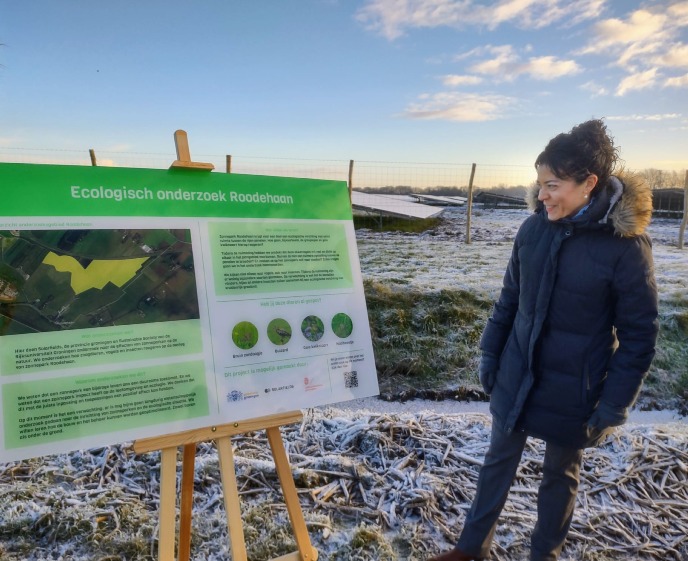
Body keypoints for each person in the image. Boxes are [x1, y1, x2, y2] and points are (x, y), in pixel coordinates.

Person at [429, 119, 659, 561]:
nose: (543, 194)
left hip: (576, 386)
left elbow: (639, 335)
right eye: (540, 183)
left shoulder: (626, 248)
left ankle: (545, 555)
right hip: (519, 371)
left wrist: (613, 403)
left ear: (589, 183)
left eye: (553, 185)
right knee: (497, 460)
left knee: (560, 475)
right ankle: (470, 549)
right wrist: (490, 352)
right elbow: (509, 300)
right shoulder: (533, 230)